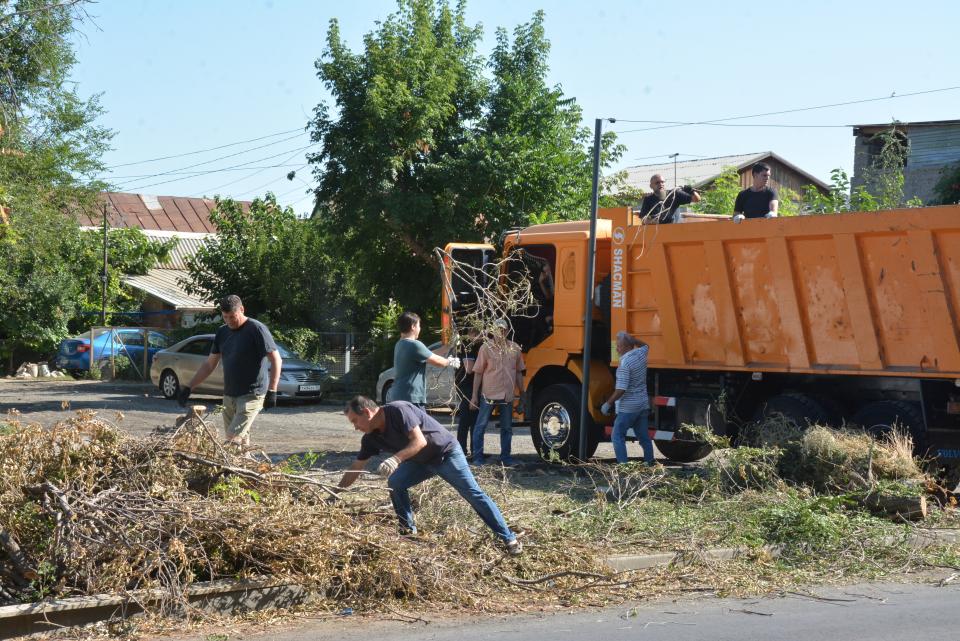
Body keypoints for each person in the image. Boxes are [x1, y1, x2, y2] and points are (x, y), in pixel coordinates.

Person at [336, 395, 522, 555]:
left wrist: (395, 459)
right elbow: (356, 467)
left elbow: (419, 442)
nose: (355, 427)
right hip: (420, 463)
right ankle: (408, 532)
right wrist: (335, 493)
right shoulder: (371, 438)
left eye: (355, 421)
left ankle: (508, 539)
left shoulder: (398, 410)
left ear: (367, 413)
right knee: (395, 483)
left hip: (445, 454)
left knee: (471, 493)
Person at [177, 295, 282, 447]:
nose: (229, 321)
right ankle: (242, 468)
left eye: (233, 317)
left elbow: (276, 359)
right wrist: (189, 387)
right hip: (229, 394)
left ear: (242, 309)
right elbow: (209, 364)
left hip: (252, 394)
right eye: (225, 317)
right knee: (240, 441)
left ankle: (229, 468)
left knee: (232, 438)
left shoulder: (256, 329)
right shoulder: (222, 332)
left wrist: (272, 390)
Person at [471, 319, 525, 466]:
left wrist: (523, 394)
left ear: (507, 331)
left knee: (507, 427)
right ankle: (478, 458)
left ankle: (506, 458)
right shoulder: (485, 348)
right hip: (488, 394)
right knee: (481, 426)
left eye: (503, 330)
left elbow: (519, 372)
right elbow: (478, 373)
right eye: (497, 330)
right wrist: (474, 395)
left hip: (507, 395)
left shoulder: (515, 348)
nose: (500, 333)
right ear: (493, 331)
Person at [600, 331, 654, 465]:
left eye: (619, 346)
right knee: (644, 437)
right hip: (642, 404)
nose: (616, 349)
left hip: (628, 408)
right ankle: (650, 463)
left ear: (626, 347)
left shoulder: (624, 364)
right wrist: (633, 339)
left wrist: (607, 404)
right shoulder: (640, 354)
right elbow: (646, 345)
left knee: (617, 435)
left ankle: (623, 465)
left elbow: (621, 390)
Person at [389, 311, 460, 406]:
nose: (420, 328)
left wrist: (449, 346)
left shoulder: (400, 344)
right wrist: (450, 361)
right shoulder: (414, 344)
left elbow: (429, 354)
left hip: (399, 396)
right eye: (419, 326)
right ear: (413, 327)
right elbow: (438, 362)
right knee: (420, 421)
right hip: (411, 397)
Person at [455, 327, 481, 458]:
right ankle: (462, 450)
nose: (478, 336)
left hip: (472, 386)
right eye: (475, 333)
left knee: (474, 420)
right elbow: (470, 369)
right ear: (469, 333)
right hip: (465, 386)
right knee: (466, 419)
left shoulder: (477, 346)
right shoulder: (467, 346)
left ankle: (474, 450)